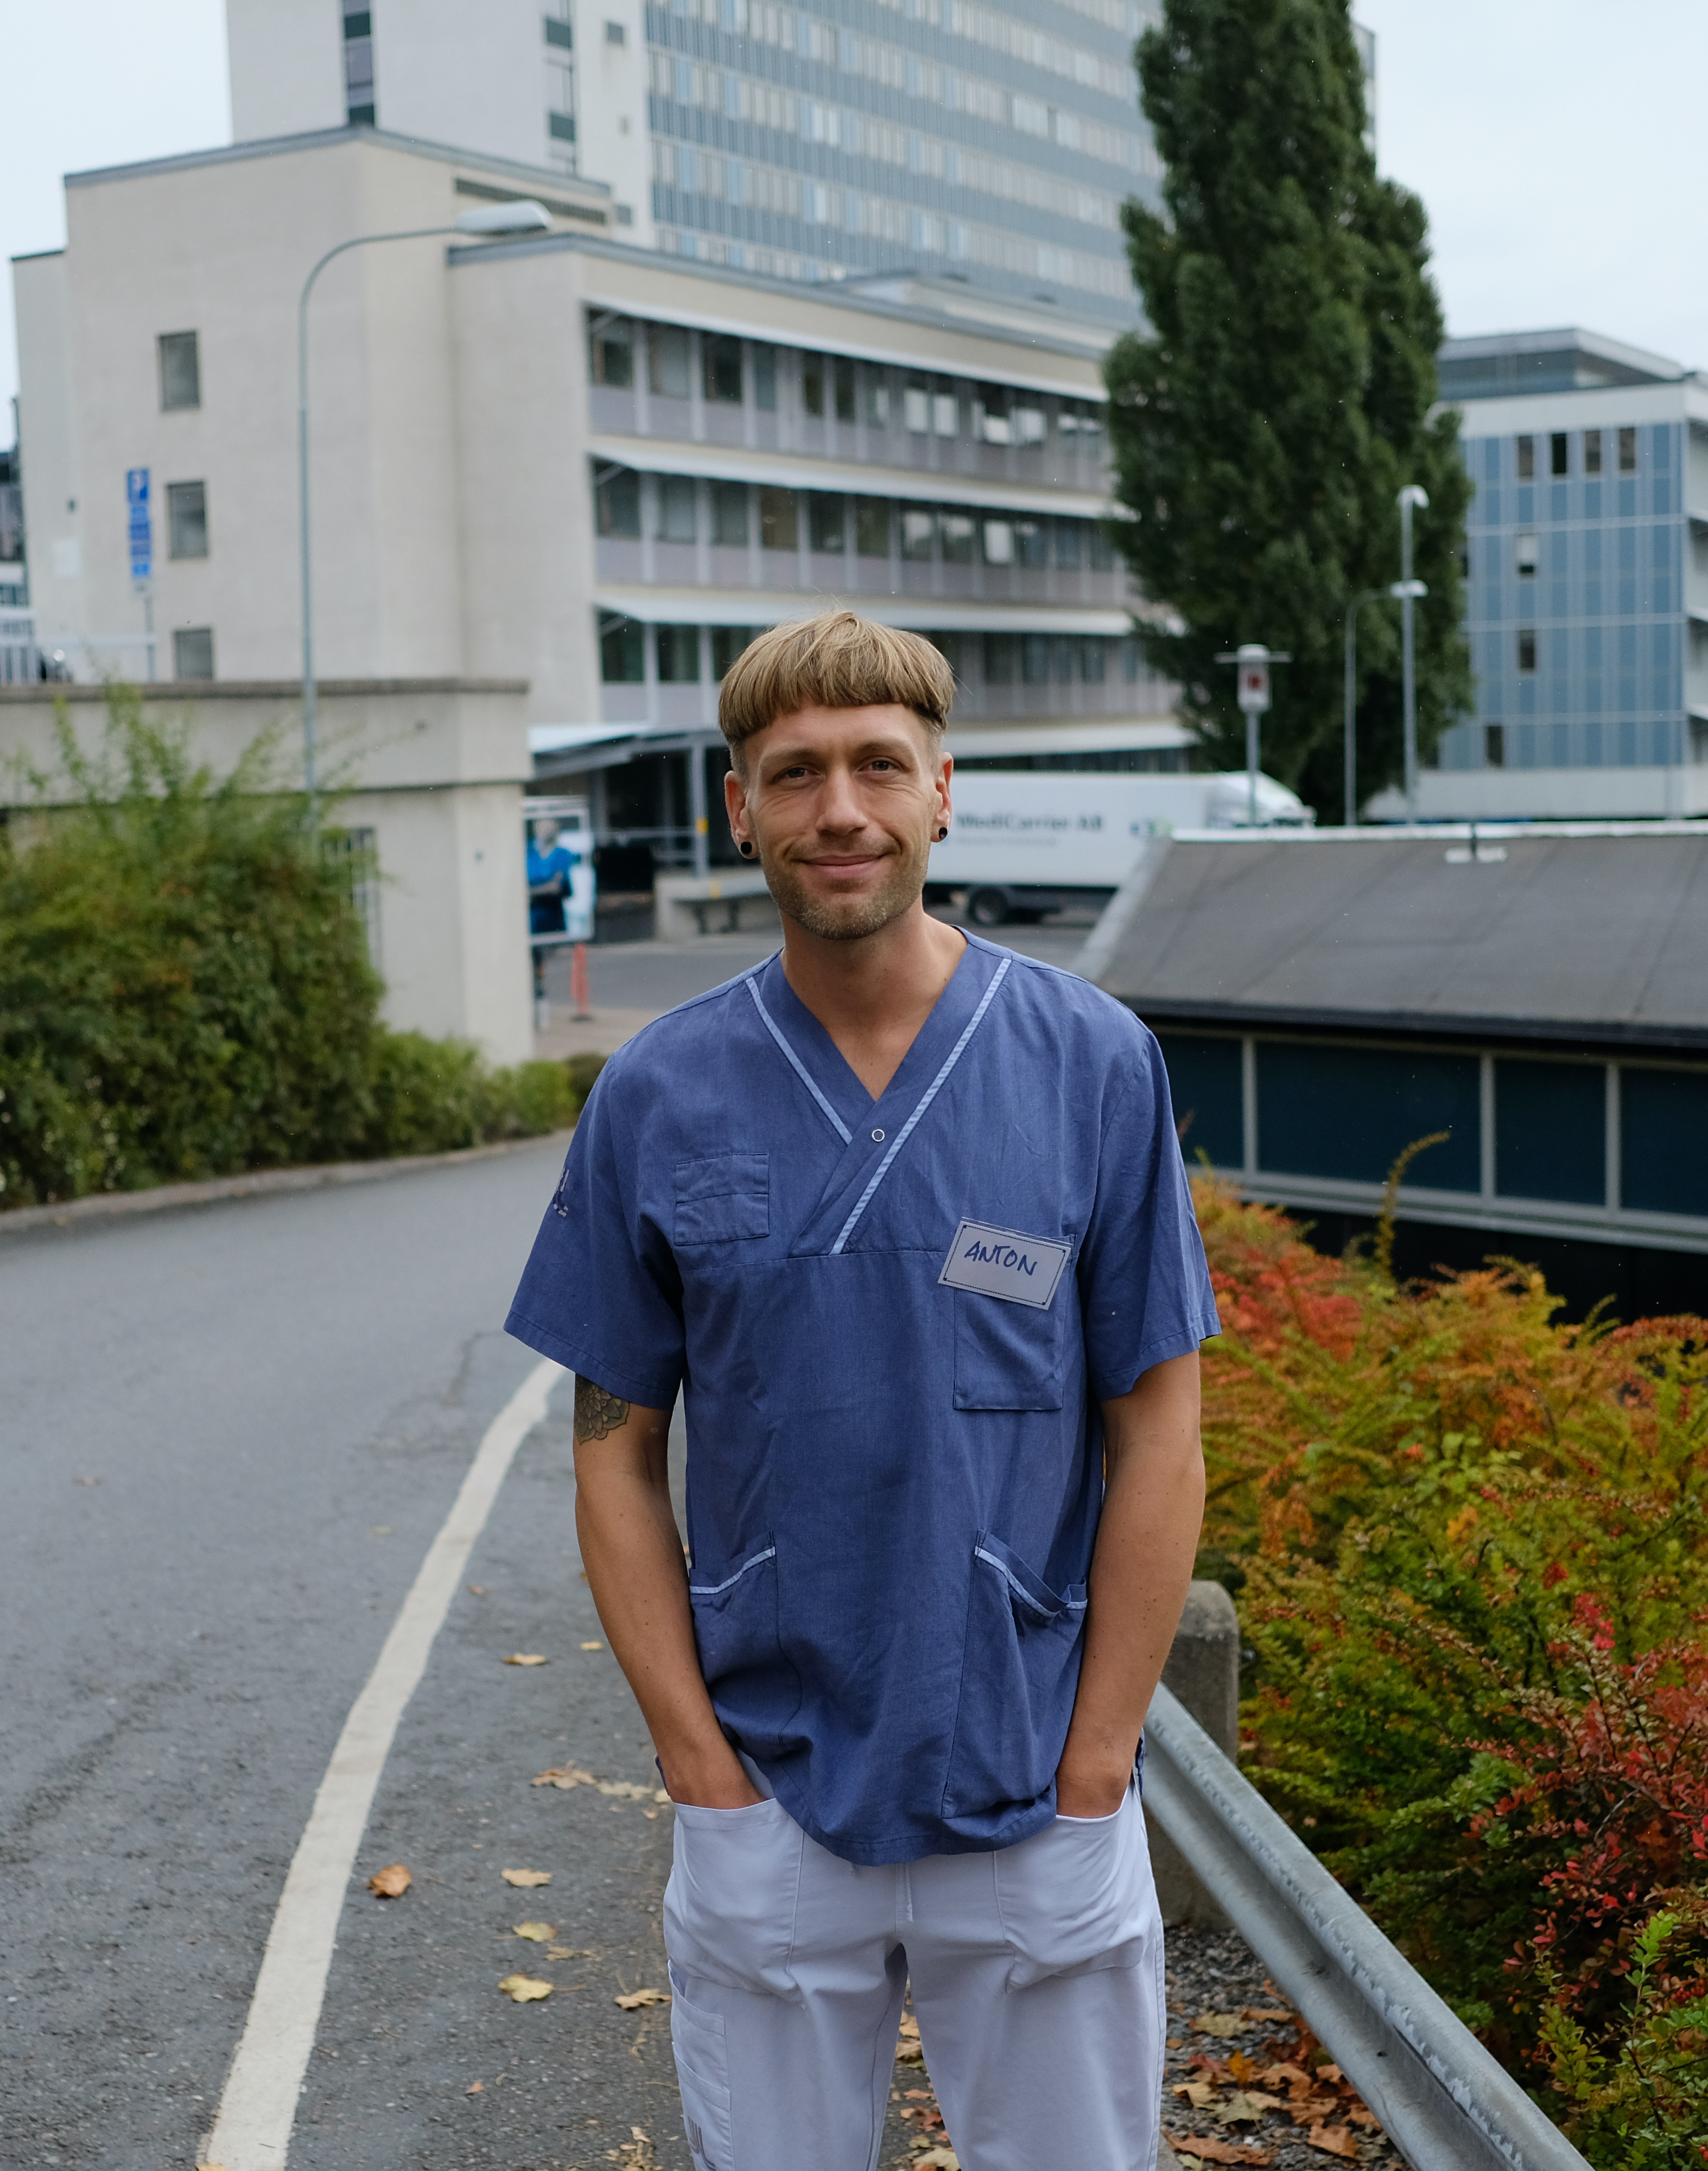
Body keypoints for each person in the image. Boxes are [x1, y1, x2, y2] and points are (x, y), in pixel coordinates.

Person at [505, 611, 1215, 2171]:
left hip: (1033, 1784)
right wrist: (698, 1771)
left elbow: (1161, 1433)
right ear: (738, 809)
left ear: (942, 792)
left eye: (880, 766)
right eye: (796, 773)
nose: (841, 809)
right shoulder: (658, 1093)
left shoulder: (1091, 1064)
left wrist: (1100, 1765)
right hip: (769, 1792)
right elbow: (614, 1455)